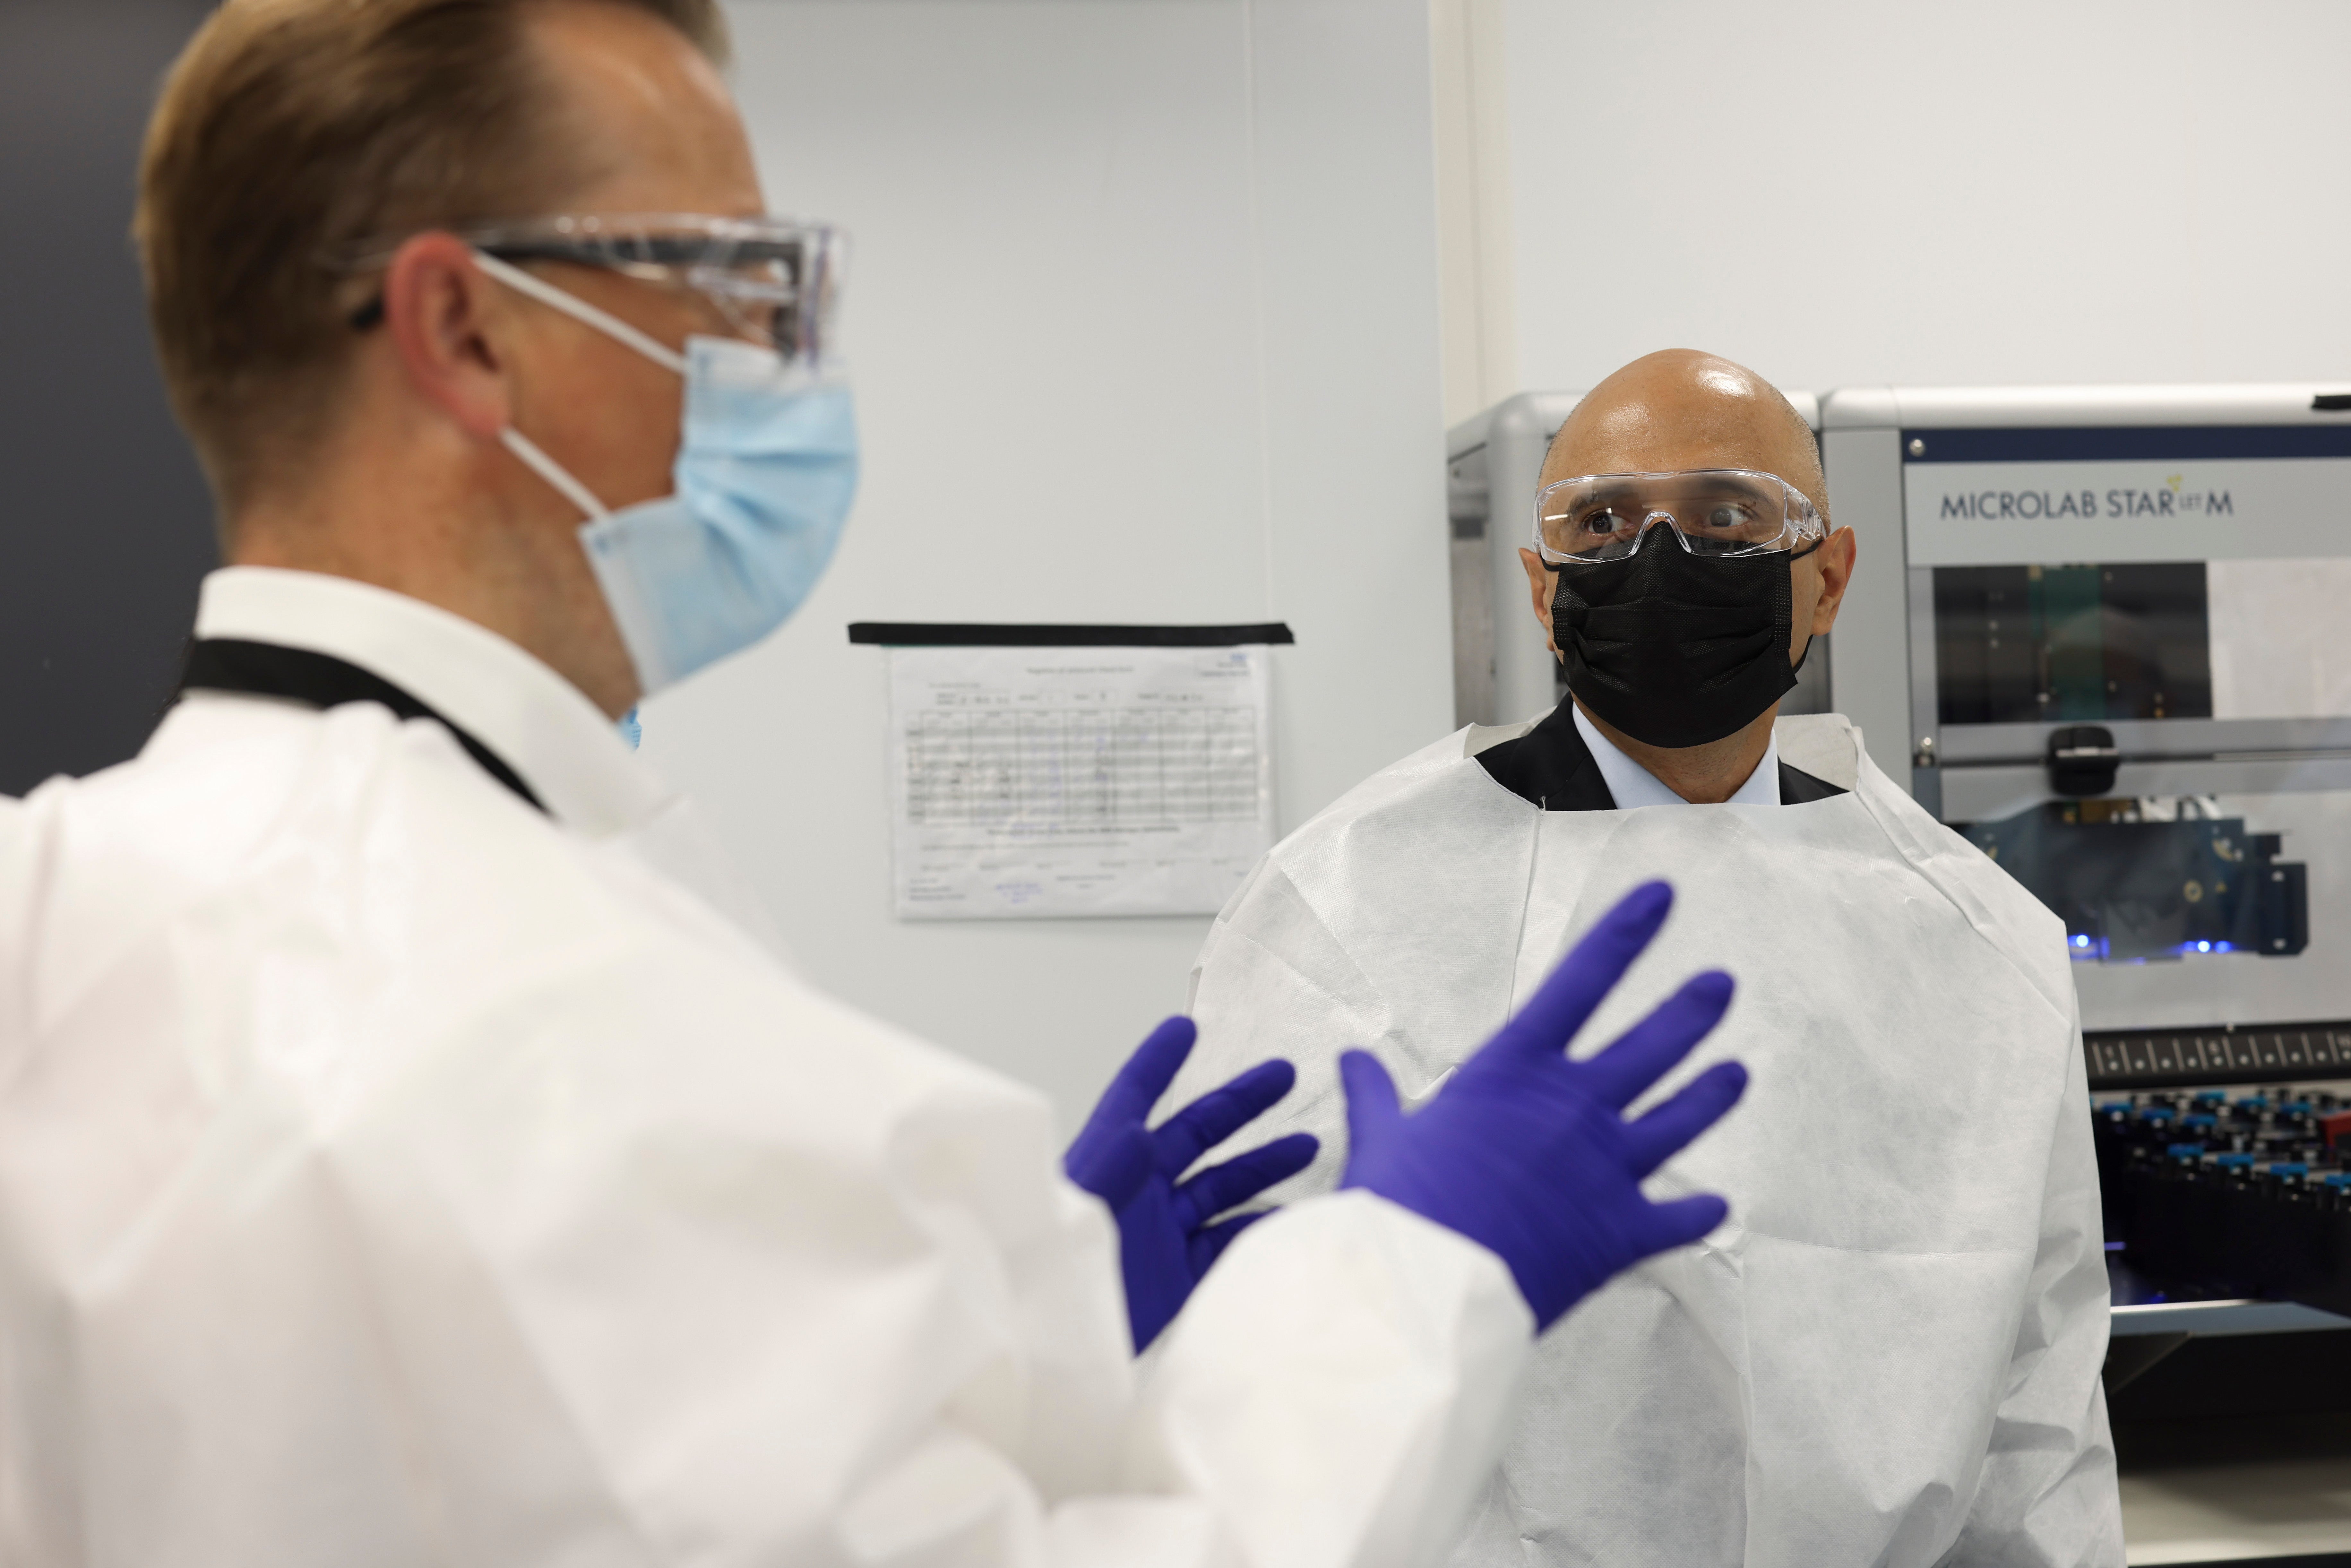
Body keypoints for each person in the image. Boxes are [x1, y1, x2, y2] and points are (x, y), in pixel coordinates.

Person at [0, 5, 1754, 1563]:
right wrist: (1423, 1273)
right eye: (736, 285)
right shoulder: (598, 1041)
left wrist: (1011, 1321)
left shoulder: (52, 906)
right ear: (464, 329)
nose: (788, 363)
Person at [1167, 350, 2125, 1565]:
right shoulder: (1341, 908)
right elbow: (1250, 1389)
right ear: (1540, 583)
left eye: (1729, 516)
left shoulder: (1974, 933)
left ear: (1826, 577)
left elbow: (2042, 1397)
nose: (1660, 561)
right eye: (1603, 521)